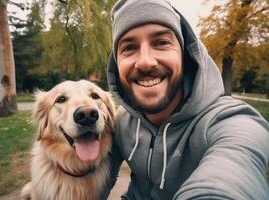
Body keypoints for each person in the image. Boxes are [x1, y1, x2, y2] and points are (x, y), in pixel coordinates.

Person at [102, 0, 269, 199]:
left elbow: (232, 174)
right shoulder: (121, 121)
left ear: (185, 55)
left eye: (161, 43)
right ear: (116, 64)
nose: (145, 61)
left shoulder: (232, 122)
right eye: (129, 47)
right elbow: (94, 178)